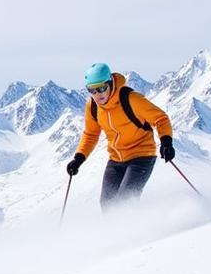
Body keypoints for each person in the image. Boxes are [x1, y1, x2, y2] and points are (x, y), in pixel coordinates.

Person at [66, 62, 175, 208]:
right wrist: (78, 159)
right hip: (115, 159)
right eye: (91, 90)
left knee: (126, 201)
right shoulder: (92, 106)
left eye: (101, 88)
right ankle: (115, 231)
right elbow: (91, 134)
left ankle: (140, 229)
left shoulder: (130, 99)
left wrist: (166, 142)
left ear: (110, 83)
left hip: (141, 156)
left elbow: (160, 118)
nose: (97, 94)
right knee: (107, 204)